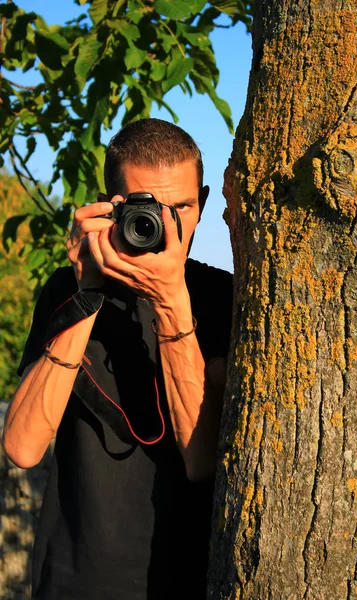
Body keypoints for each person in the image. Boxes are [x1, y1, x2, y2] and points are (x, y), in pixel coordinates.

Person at [2, 119, 232, 600]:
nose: (165, 225)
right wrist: (87, 297)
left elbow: (201, 460)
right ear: (111, 207)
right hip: (72, 579)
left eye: (182, 207)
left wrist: (171, 303)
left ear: (204, 203)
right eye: (148, 208)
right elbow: (22, 448)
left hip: (184, 580)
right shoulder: (69, 290)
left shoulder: (222, 298)